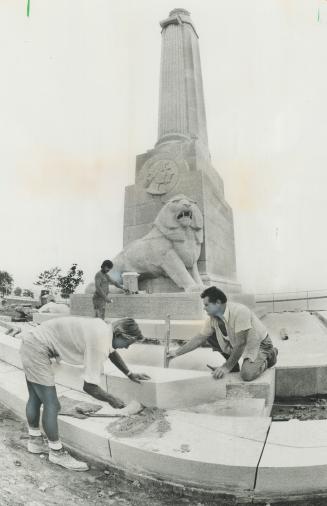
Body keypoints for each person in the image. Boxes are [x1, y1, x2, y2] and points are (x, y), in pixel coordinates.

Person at [19, 316, 150, 471]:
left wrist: (129, 373)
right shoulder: (99, 343)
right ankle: (56, 452)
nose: (127, 348)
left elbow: (112, 352)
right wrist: (111, 399)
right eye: (128, 343)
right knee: (52, 404)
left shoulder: (104, 329)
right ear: (120, 335)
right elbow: (89, 387)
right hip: (37, 349)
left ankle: (34, 442)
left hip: (31, 342)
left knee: (35, 397)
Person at [168, 286, 278, 382]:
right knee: (209, 335)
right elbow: (199, 339)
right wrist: (176, 353)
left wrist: (225, 368)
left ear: (218, 303)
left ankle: (270, 356)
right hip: (241, 345)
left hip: (259, 345)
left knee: (247, 375)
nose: (204, 308)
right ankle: (234, 366)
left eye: (206, 305)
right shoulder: (212, 319)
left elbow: (241, 343)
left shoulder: (240, 311)